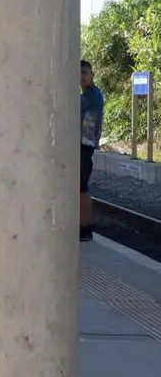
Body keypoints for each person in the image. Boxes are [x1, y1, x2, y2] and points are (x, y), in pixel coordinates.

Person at [82, 58, 104, 242]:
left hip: (84, 146)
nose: (82, 77)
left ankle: (85, 229)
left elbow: (87, 128)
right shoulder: (85, 96)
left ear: (92, 75)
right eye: (79, 74)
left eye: (85, 73)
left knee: (82, 188)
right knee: (80, 188)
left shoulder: (93, 97)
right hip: (82, 145)